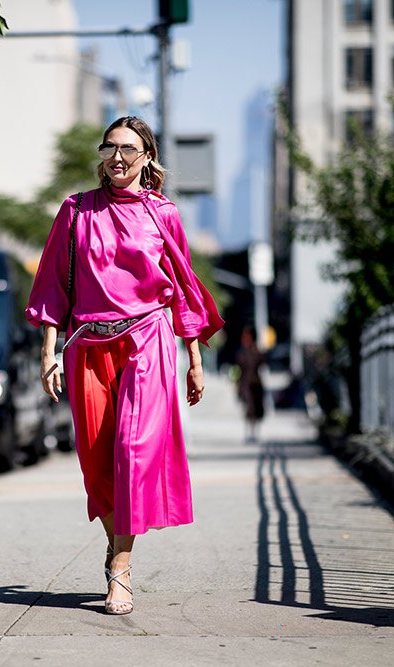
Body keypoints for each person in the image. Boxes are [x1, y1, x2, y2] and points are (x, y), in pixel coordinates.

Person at [26, 116, 223, 615]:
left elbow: (182, 287)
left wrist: (194, 359)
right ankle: (117, 545)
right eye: (110, 148)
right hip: (89, 342)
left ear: (148, 158)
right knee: (97, 461)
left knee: (133, 453)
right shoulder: (75, 211)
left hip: (148, 342)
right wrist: (49, 352)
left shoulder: (164, 215)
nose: (118, 157)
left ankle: (121, 573)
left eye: (129, 150)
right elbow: (52, 283)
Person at [235, 326, 265, 442]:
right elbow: (238, 369)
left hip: (256, 385)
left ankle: (254, 432)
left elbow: (263, 363)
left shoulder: (256, 351)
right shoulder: (242, 352)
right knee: (248, 409)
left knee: (256, 409)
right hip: (245, 384)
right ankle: (249, 432)